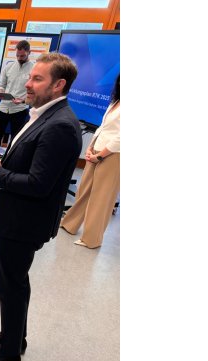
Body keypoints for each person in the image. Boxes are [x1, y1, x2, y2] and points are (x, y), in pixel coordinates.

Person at [0, 52, 82, 361]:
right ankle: (15, 337)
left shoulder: (60, 125)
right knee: (15, 282)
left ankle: (8, 354)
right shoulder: (44, 115)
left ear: (58, 85)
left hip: (24, 221)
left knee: (10, 284)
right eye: (30, 77)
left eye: (37, 79)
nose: (28, 84)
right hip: (19, 216)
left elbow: (38, 184)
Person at [60, 75, 120, 249]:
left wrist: (100, 155)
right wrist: (91, 146)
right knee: (84, 191)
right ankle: (70, 224)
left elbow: (121, 137)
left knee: (101, 198)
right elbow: (103, 127)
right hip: (96, 149)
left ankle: (92, 239)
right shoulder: (116, 101)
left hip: (112, 155)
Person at [0, 40, 34, 151]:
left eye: (22, 56)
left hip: (19, 109)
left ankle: (10, 157)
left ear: (29, 52)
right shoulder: (9, 67)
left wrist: (23, 100)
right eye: (17, 55)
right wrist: (0, 92)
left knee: (16, 137)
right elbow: (2, 85)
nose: (19, 58)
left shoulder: (34, 69)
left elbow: (34, 91)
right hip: (3, 107)